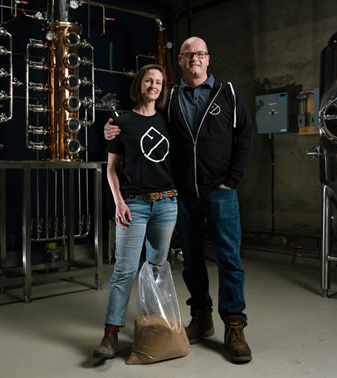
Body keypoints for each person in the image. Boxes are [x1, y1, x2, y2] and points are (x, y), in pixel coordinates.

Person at [104, 37, 253, 363]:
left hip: (220, 191)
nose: (194, 59)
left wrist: (232, 180)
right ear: (181, 62)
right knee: (193, 260)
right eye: (188, 55)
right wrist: (112, 129)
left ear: (207, 59)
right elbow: (141, 125)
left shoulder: (228, 93)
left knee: (229, 259)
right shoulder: (171, 100)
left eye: (200, 54)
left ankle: (234, 325)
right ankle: (201, 317)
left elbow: (244, 136)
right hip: (183, 194)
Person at [93, 64, 178, 359]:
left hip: (167, 203)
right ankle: (111, 333)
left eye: (158, 82)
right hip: (134, 205)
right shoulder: (121, 121)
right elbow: (112, 169)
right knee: (123, 270)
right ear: (139, 84)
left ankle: (153, 327)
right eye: (148, 80)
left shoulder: (170, 119)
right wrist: (119, 201)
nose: (153, 85)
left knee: (157, 269)